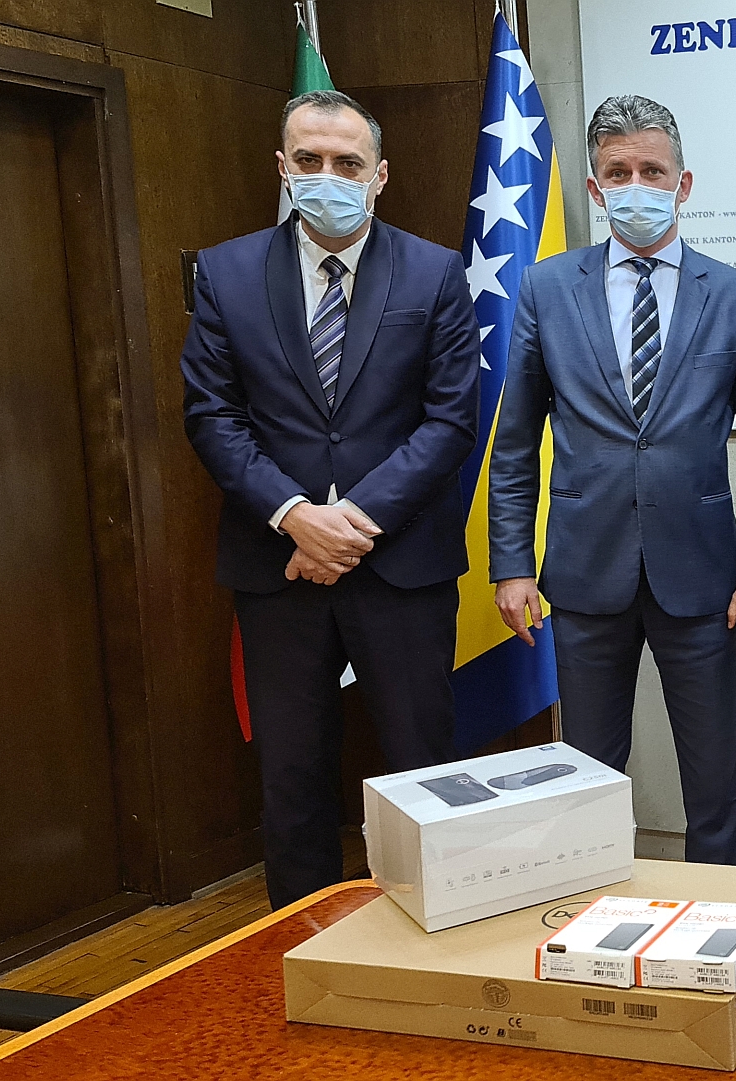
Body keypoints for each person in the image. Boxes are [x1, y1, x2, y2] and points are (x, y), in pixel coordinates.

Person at [181, 90, 481, 909]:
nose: (328, 176)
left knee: (424, 772)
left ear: (379, 175)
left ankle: (436, 941)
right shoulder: (226, 272)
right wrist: (295, 516)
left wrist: (350, 521)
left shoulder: (434, 271)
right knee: (292, 774)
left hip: (402, 565)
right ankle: (301, 946)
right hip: (276, 565)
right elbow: (211, 415)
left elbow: (451, 419)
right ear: (283, 168)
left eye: (348, 163)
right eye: (309, 160)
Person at [487, 95, 736, 866]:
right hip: (586, 572)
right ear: (595, 188)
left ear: (682, 183)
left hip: (703, 578)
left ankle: (724, 926)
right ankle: (589, 917)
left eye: (652, 171)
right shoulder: (547, 288)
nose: (636, 186)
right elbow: (515, 443)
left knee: (714, 784)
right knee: (587, 781)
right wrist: (511, 564)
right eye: (617, 172)